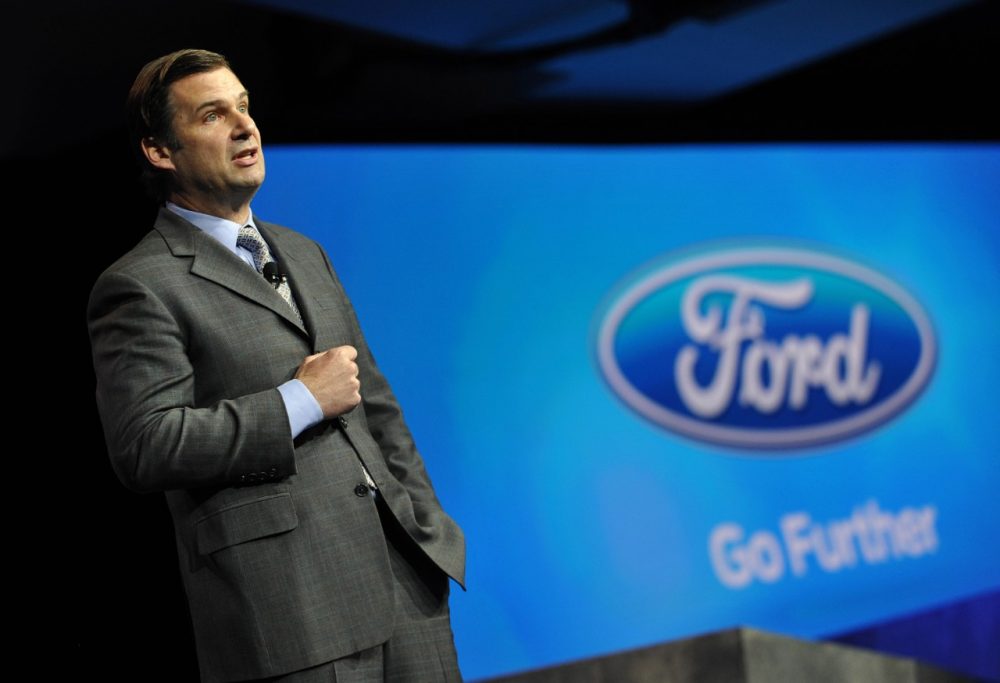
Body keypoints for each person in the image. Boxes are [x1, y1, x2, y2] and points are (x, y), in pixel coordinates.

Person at [87, 49, 465, 683]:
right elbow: (145, 446)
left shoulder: (302, 250)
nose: (244, 126)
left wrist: (425, 522)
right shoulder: (139, 285)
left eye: (244, 106)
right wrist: (299, 403)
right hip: (292, 609)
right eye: (213, 114)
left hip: (405, 584)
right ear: (160, 151)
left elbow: (374, 403)